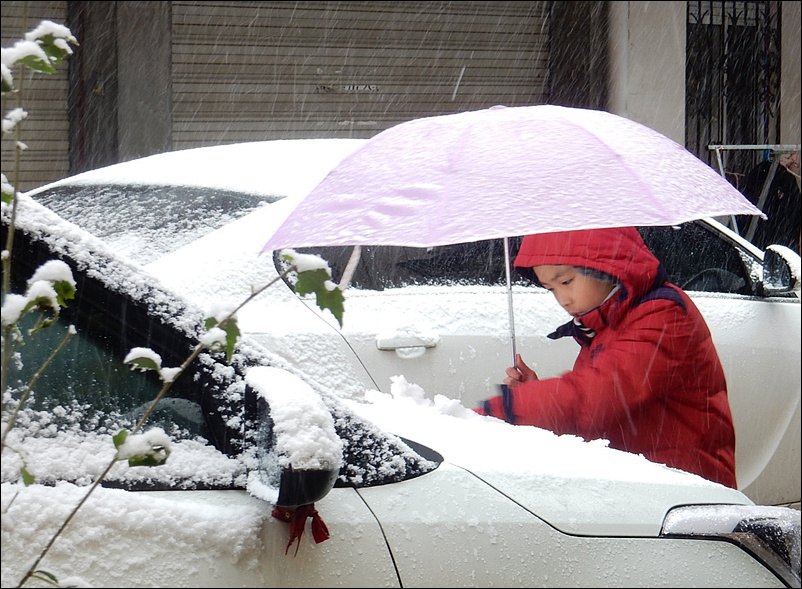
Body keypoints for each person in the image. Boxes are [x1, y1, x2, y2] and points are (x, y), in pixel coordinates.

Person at [474, 226, 737, 489]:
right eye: (550, 289)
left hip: (686, 492)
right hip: (646, 485)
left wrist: (504, 409)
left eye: (566, 282)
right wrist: (534, 394)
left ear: (607, 267)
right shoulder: (603, 324)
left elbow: (592, 400)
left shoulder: (663, 315)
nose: (562, 299)